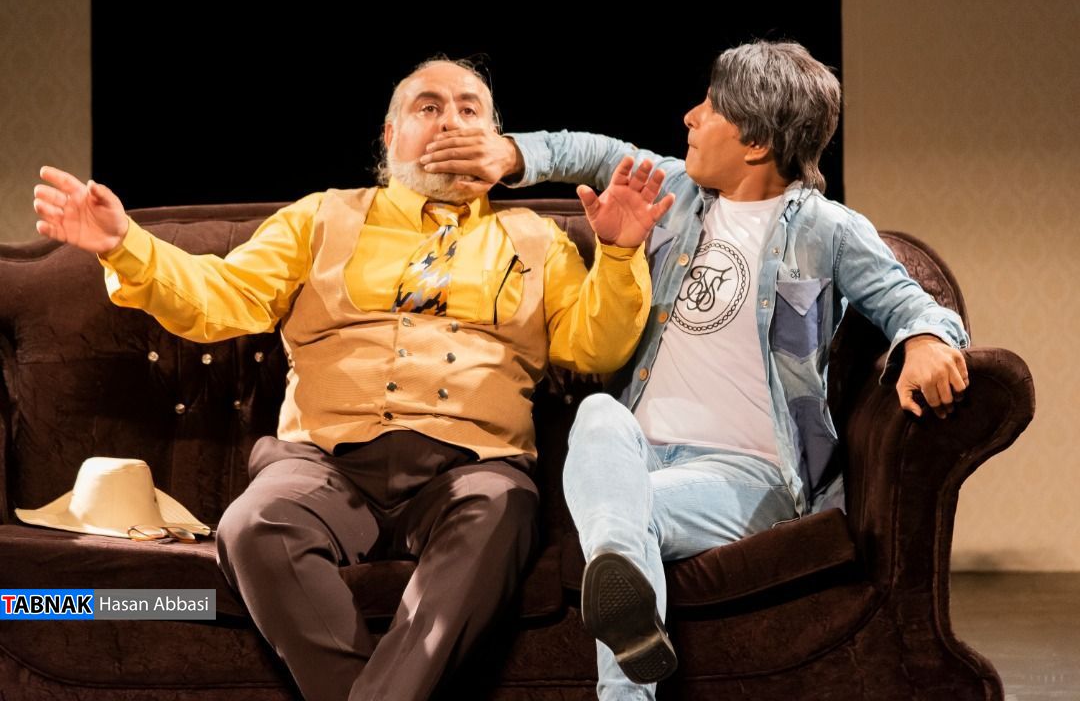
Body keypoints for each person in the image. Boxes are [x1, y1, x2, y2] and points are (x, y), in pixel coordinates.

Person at [31, 58, 674, 701]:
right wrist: (125, 245)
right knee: (253, 524)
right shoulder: (320, 217)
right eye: (428, 107)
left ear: (495, 141)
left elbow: (595, 347)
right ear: (390, 136)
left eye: (469, 110)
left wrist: (619, 256)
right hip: (323, 462)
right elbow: (219, 296)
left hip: (473, 467)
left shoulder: (536, 239)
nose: (450, 121)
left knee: (501, 513)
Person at [419, 41, 971, 700]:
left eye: (710, 108)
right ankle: (621, 581)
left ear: (756, 143)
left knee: (621, 524)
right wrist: (509, 154)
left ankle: (623, 656)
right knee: (600, 415)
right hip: (638, 457)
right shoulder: (673, 194)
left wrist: (925, 339)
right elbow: (588, 151)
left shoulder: (828, 229)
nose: (689, 116)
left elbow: (913, 302)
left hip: (751, 477)